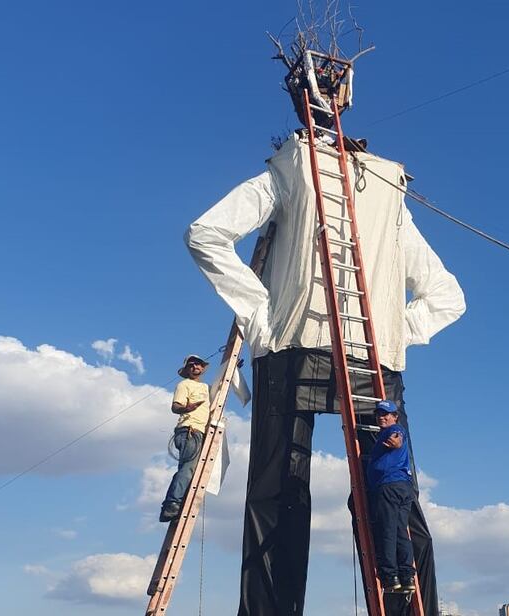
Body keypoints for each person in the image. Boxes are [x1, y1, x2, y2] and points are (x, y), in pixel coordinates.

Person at [186, 134, 465, 615]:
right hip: (373, 362)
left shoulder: (295, 166)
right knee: (391, 501)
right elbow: (448, 297)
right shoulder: (384, 187)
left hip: (289, 348)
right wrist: (392, 331)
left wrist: (260, 317)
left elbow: (205, 233)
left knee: (276, 499)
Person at [366, 399, 416, 592]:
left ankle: (390, 576)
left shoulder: (393, 431)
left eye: (386, 414)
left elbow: (397, 437)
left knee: (387, 530)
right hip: (402, 487)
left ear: (395, 416)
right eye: (379, 414)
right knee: (400, 531)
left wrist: (395, 441)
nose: (382, 417)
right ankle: (407, 575)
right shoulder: (387, 432)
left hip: (389, 486)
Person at [159, 354, 210, 523]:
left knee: (186, 469)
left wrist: (233, 371)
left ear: (202, 368)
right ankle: (173, 503)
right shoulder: (184, 385)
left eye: (198, 364)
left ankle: (173, 505)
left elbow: (222, 389)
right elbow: (175, 407)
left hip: (198, 431)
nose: (195, 366)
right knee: (188, 469)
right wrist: (187, 408)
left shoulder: (206, 387)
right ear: (187, 369)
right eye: (192, 364)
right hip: (189, 430)